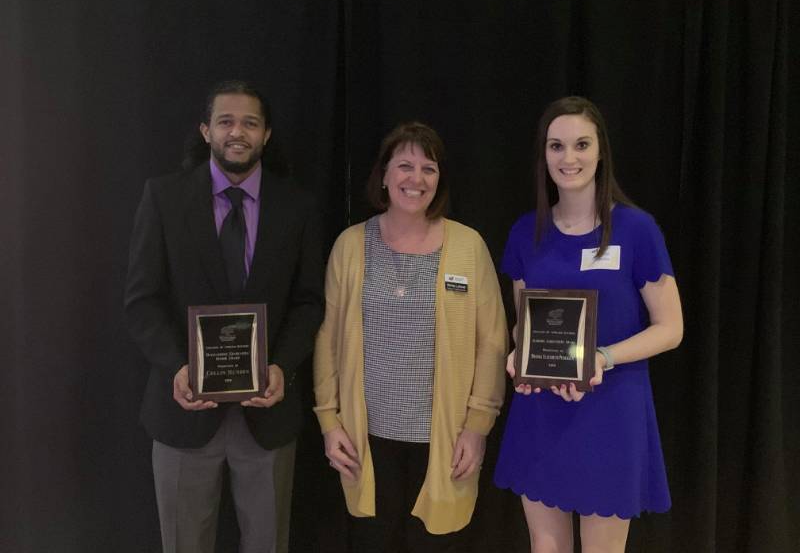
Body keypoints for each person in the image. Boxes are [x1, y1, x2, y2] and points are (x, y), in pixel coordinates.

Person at [124, 80, 324, 553]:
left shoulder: (298, 206)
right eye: (226, 121)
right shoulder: (163, 198)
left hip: (267, 414)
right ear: (205, 130)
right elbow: (141, 300)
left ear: (267, 135)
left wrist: (282, 366)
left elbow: (309, 301)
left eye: (250, 123)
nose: (238, 132)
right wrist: (177, 366)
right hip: (184, 410)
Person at [494, 96, 683, 553]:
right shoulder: (526, 232)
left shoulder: (637, 230)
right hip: (541, 409)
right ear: (544, 155)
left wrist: (603, 358)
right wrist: (521, 353)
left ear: (601, 151)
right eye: (556, 146)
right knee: (546, 547)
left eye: (581, 144)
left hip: (611, 409)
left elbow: (671, 328)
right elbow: (525, 322)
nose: (569, 157)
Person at [313, 122, 507, 552]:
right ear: (383, 175)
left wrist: (478, 426)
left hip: (445, 441)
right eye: (404, 165)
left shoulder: (468, 246)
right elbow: (328, 337)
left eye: (428, 168)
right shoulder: (350, 246)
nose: (416, 179)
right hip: (367, 441)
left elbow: (492, 341)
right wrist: (329, 421)